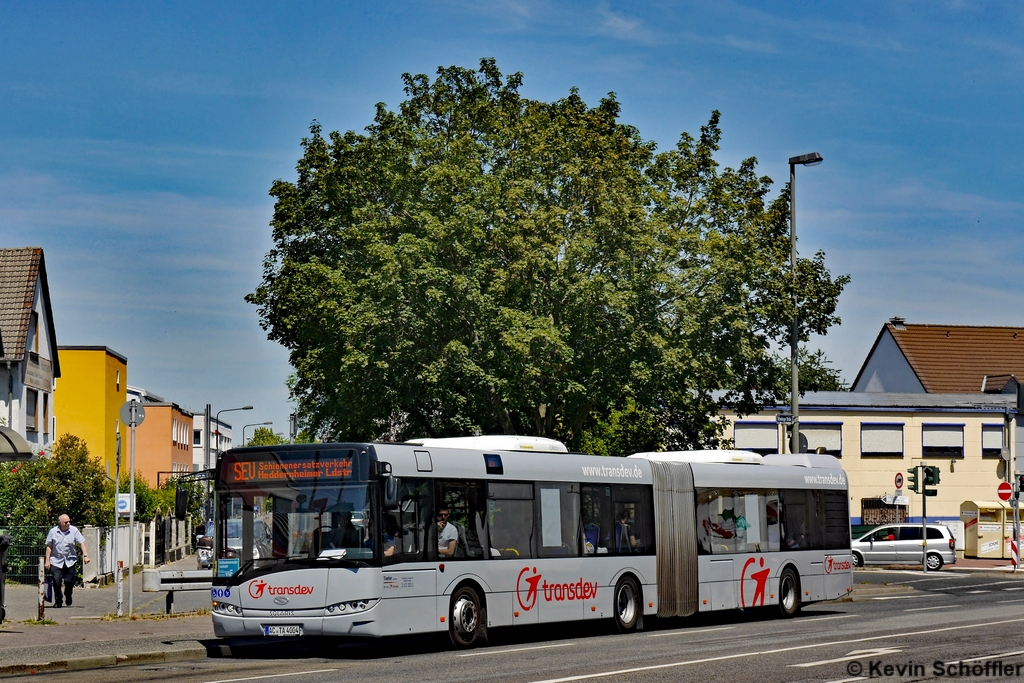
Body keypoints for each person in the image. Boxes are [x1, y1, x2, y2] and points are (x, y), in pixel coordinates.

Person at [44, 514, 90, 608]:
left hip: (70, 560)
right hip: (56, 560)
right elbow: (49, 547)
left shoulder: (74, 530)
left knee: (69, 582)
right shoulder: (53, 531)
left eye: (69, 521)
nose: (68, 523)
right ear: (60, 523)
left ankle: (68, 594)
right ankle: (58, 600)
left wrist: (85, 555)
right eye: (66, 522)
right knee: (56, 581)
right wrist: (47, 561)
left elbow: (81, 543)